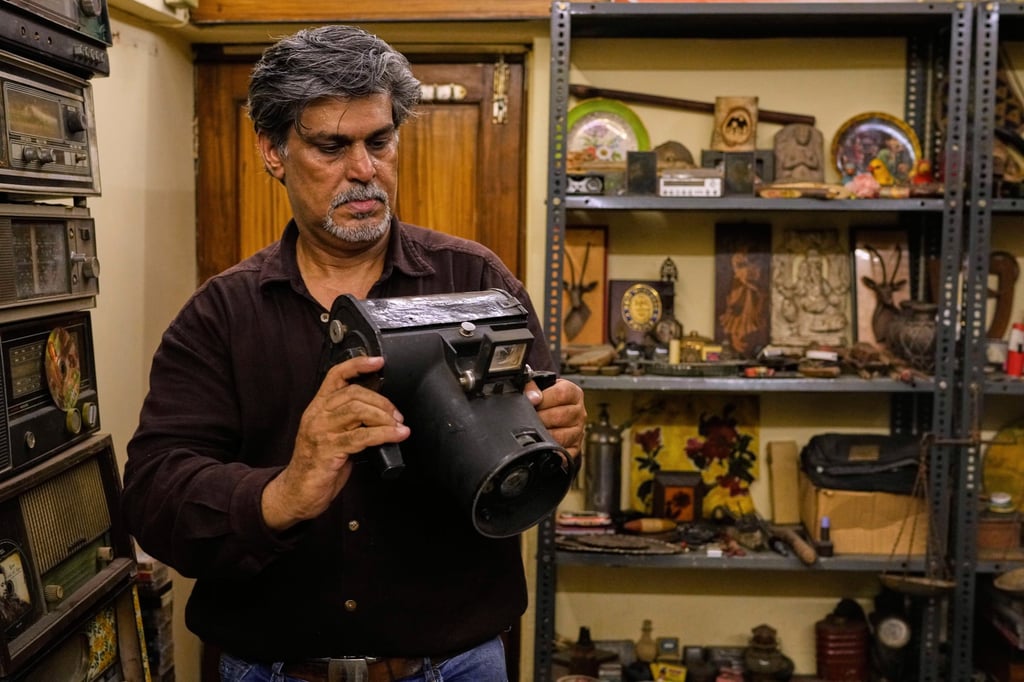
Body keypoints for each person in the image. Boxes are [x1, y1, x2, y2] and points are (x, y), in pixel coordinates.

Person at [120, 24, 586, 682]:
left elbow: (538, 446)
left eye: (379, 141)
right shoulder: (220, 315)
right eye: (331, 146)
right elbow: (153, 500)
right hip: (273, 669)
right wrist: (282, 493)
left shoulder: (477, 281)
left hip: (456, 665)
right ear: (273, 150)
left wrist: (561, 433)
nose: (364, 169)